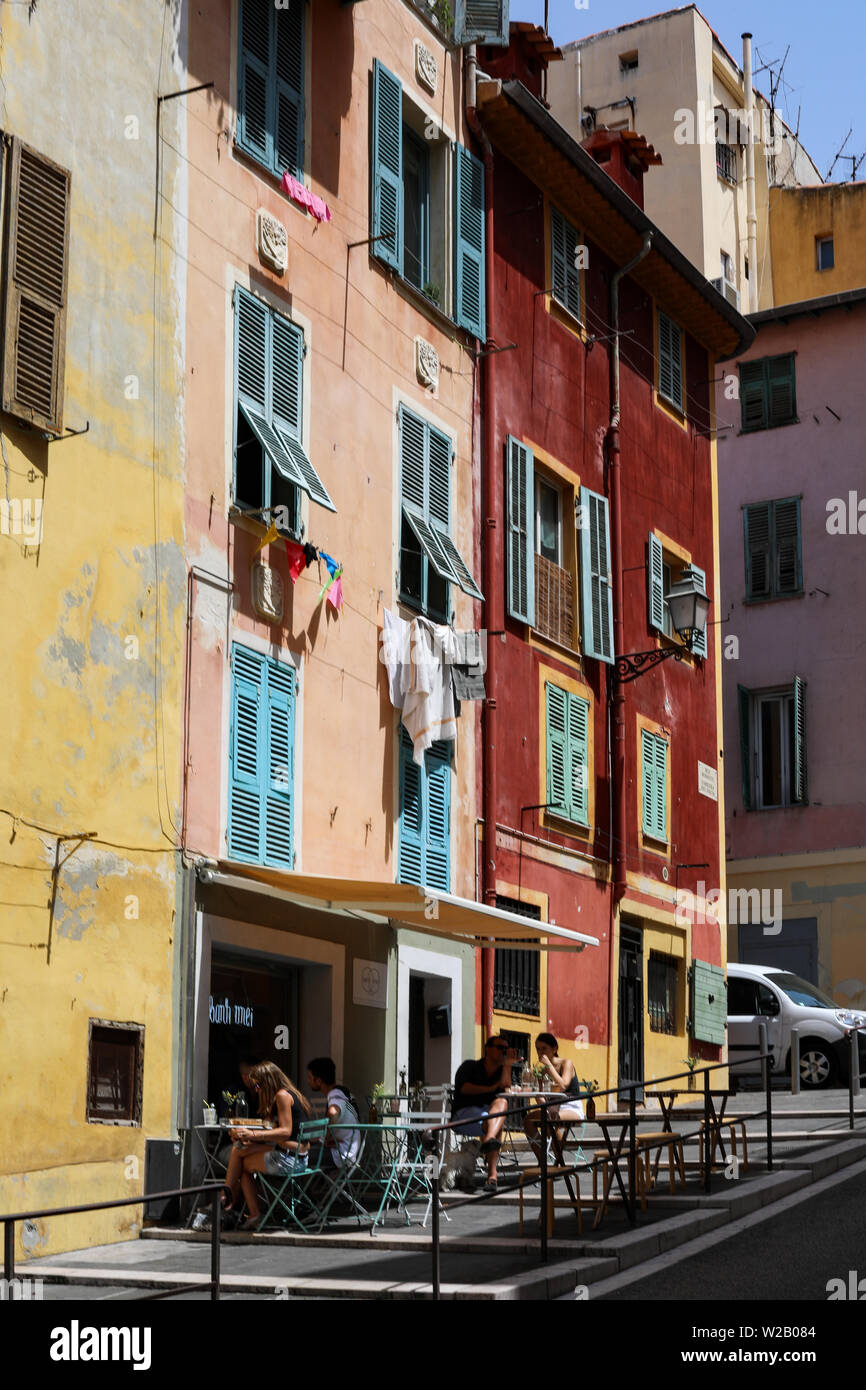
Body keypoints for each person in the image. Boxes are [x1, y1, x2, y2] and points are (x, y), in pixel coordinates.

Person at [222, 1060, 312, 1231]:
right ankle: (226, 1199)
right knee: (240, 1148)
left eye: (257, 1085)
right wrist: (247, 1135)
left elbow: (285, 1131)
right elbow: (276, 1130)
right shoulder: (292, 1094)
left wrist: (252, 1134)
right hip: (296, 1155)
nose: (256, 1090)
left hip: (289, 1159)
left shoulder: (282, 1096)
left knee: (242, 1167)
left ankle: (234, 1205)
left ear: (268, 1081)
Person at [451, 1036, 518, 1193]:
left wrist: (507, 1066)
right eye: (500, 1048)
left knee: (502, 1104)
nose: (503, 1051)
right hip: (464, 1115)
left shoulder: (502, 1071)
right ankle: (492, 1173)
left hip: (488, 1118)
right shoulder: (470, 1066)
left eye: (505, 1049)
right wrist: (492, 1088)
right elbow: (464, 1088)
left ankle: (490, 1152)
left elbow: (506, 1087)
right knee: (496, 1121)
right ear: (487, 1049)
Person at [523, 1033, 585, 1158]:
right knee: (528, 1120)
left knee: (550, 1118)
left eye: (544, 1048)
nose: (541, 1052)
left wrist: (549, 1065)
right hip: (552, 1108)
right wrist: (535, 1090)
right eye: (538, 1049)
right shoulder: (541, 1070)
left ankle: (559, 1160)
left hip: (571, 1106)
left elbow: (563, 1085)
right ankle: (542, 1159)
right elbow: (541, 1098)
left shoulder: (566, 1063)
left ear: (555, 1048)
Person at [307, 1057, 362, 1168]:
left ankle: (301, 1185)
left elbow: (333, 1112)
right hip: (348, 1150)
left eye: (309, 1077)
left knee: (297, 1156)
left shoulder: (335, 1094)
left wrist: (324, 1139)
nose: (308, 1081)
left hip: (341, 1154)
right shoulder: (343, 1092)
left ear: (318, 1080)